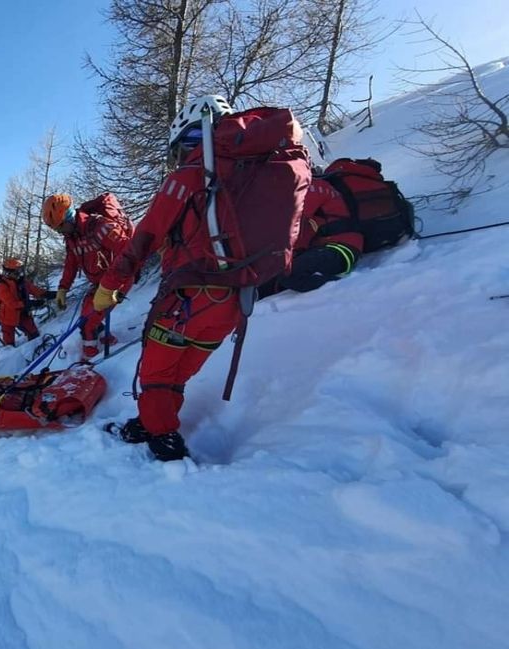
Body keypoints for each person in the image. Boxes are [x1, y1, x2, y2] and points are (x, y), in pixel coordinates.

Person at [92, 94, 242, 461]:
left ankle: (165, 445)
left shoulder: (190, 178)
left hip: (191, 294)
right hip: (235, 302)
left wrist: (110, 284)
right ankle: (152, 420)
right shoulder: (251, 175)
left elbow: (145, 236)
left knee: (157, 371)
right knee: (177, 370)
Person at [41, 191, 134, 360]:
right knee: (85, 319)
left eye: (60, 227)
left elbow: (128, 253)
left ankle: (92, 359)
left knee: (88, 324)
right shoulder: (72, 237)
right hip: (100, 283)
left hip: (117, 281)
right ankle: (108, 340)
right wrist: (63, 288)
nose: (60, 232)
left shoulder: (100, 227)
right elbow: (71, 264)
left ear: (68, 217)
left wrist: (117, 286)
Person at [276, 177, 363, 293]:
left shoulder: (313, 187)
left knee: (289, 274)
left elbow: (297, 224)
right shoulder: (305, 187)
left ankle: (349, 289)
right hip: (323, 247)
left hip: (340, 247)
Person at [0, 258, 52, 346]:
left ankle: (34, 353)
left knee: (34, 334)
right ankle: (11, 358)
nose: (20, 273)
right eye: (17, 271)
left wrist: (50, 294)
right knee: (9, 345)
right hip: (7, 318)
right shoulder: (1, 286)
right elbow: (12, 304)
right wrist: (31, 304)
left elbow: (35, 290)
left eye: (21, 270)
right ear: (9, 272)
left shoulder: (22, 282)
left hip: (23, 313)